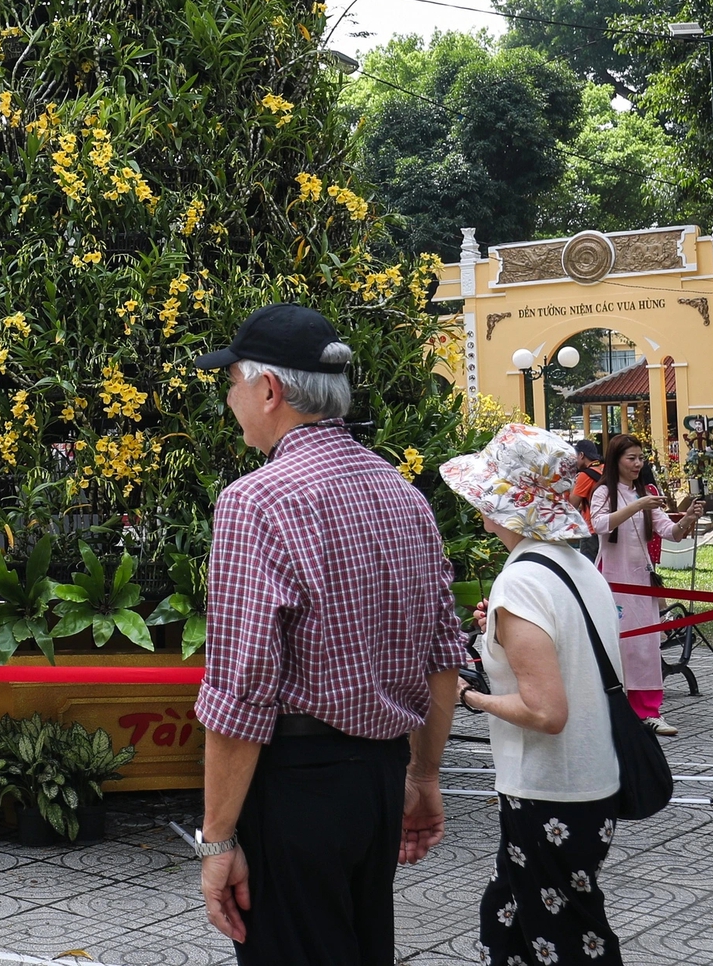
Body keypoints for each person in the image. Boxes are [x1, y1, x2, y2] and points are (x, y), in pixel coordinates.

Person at [190, 305, 464, 966]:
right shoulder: (404, 496)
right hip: (379, 777)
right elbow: (443, 658)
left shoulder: (256, 501)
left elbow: (241, 692)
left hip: (297, 787)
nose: (229, 399)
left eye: (231, 382)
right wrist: (424, 775)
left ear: (269, 391)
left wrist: (219, 841)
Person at [440, 424, 625, 966]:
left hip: (549, 790)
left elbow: (544, 712)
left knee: (566, 941)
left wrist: (468, 698)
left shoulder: (520, 580)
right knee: (512, 925)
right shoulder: (575, 566)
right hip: (591, 779)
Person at [588, 433, 702, 735]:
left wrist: (688, 518)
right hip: (612, 580)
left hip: (641, 580)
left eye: (641, 458)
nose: (638, 463)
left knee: (646, 645)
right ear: (616, 461)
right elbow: (598, 525)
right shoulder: (603, 493)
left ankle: (649, 711)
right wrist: (638, 505)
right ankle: (614, 708)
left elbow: (670, 532)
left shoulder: (646, 493)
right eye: (631, 458)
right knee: (616, 644)